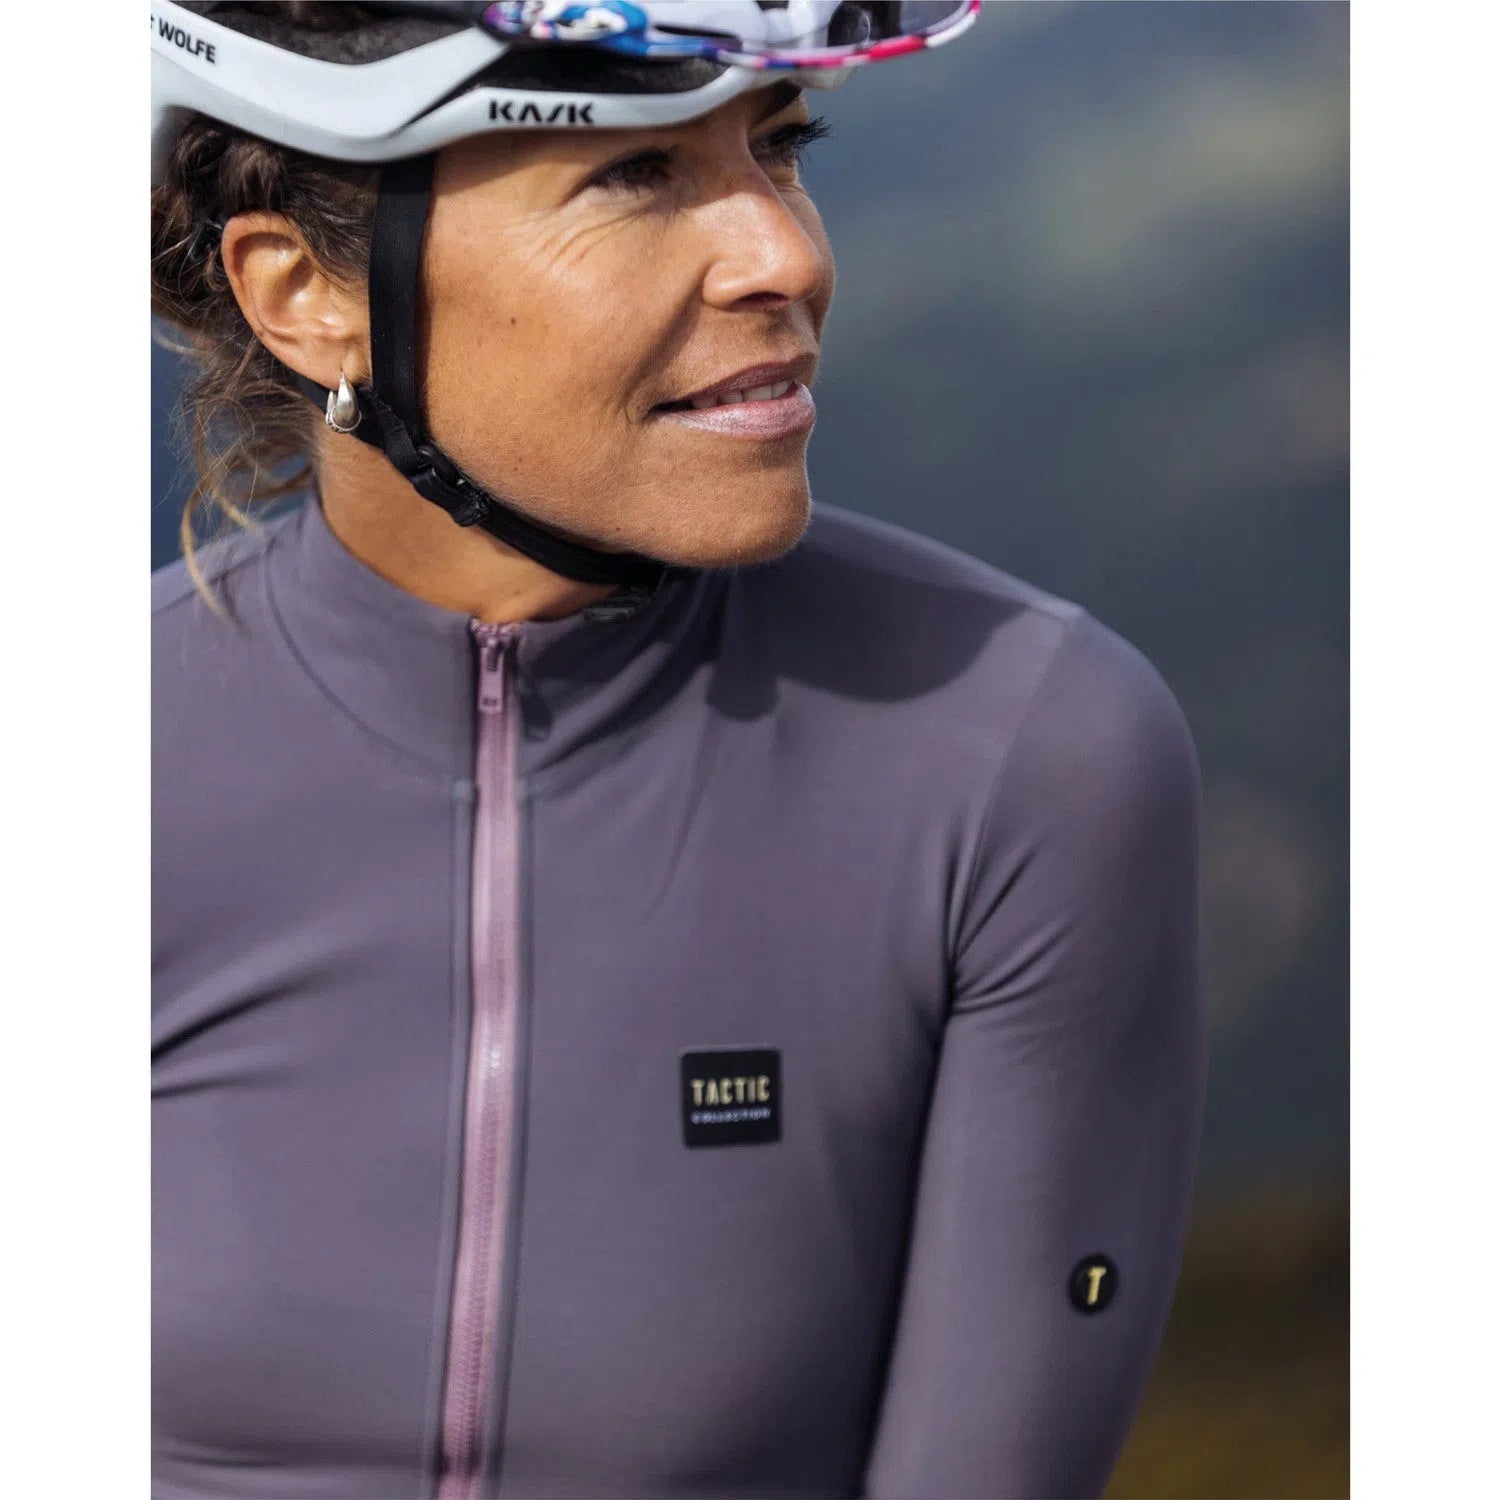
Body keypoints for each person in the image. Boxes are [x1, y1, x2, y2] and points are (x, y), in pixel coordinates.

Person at [150, 4, 1207, 1498]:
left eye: (783, 148)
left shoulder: (1027, 750)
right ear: (306, 290)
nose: (784, 256)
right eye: (633, 174)